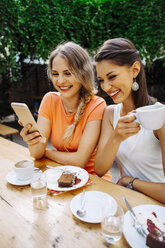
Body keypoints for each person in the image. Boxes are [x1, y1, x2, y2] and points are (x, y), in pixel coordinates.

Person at [20, 41, 111, 180]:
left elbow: (80, 161)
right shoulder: (49, 100)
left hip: (94, 180)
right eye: (55, 74)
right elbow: (36, 154)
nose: (61, 80)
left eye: (68, 73)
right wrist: (32, 141)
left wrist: (47, 151)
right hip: (63, 175)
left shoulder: (97, 105)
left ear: (82, 73)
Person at [94, 37, 165, 203]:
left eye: (112, 77)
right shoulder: (110, 114)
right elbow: (99, 169)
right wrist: (116, 137)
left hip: (155, 209)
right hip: (125, 203)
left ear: (134, 70)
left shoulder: (160, 116)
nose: (106, 87)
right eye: (101, 80)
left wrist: (131, 182)